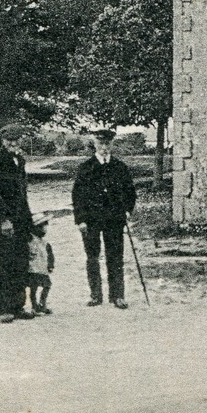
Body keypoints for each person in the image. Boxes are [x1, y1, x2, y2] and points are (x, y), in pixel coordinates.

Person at [72, 128, 136, 309]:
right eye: (101, 143)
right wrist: (81, 219)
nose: (104, 147)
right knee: (92, 257)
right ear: (95, 144)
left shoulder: (120, 167)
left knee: (115, 256)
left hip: (114, 219)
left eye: (108, 143)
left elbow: (130, 192)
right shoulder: (86, 168)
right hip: (91, 220)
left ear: (112, 144)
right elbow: (77, 196)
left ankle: (117, 295)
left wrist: (127, 211)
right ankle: (95, 295)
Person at [0, 123, 36, 322]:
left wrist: (29, 221)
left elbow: (22, 194)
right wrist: (4, 219)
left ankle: (17, 306)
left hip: (20, 220)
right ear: (3, 141)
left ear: (21, 140)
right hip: (1, 222)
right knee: (2, 265)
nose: (12, 143)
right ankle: (0, 309)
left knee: (20, 263)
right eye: (8, 140)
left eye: (16, 139)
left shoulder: (19, 160)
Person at [24, 216, 55, 316]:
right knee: (34, 288)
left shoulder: (45, 242)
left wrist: (50, 265)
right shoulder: (30, 240)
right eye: (41, 227)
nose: (44, 229)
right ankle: (35, 306)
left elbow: (50, 254)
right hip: (33, 269)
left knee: (47, 285)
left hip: (42, 269)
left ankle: (42, 304)